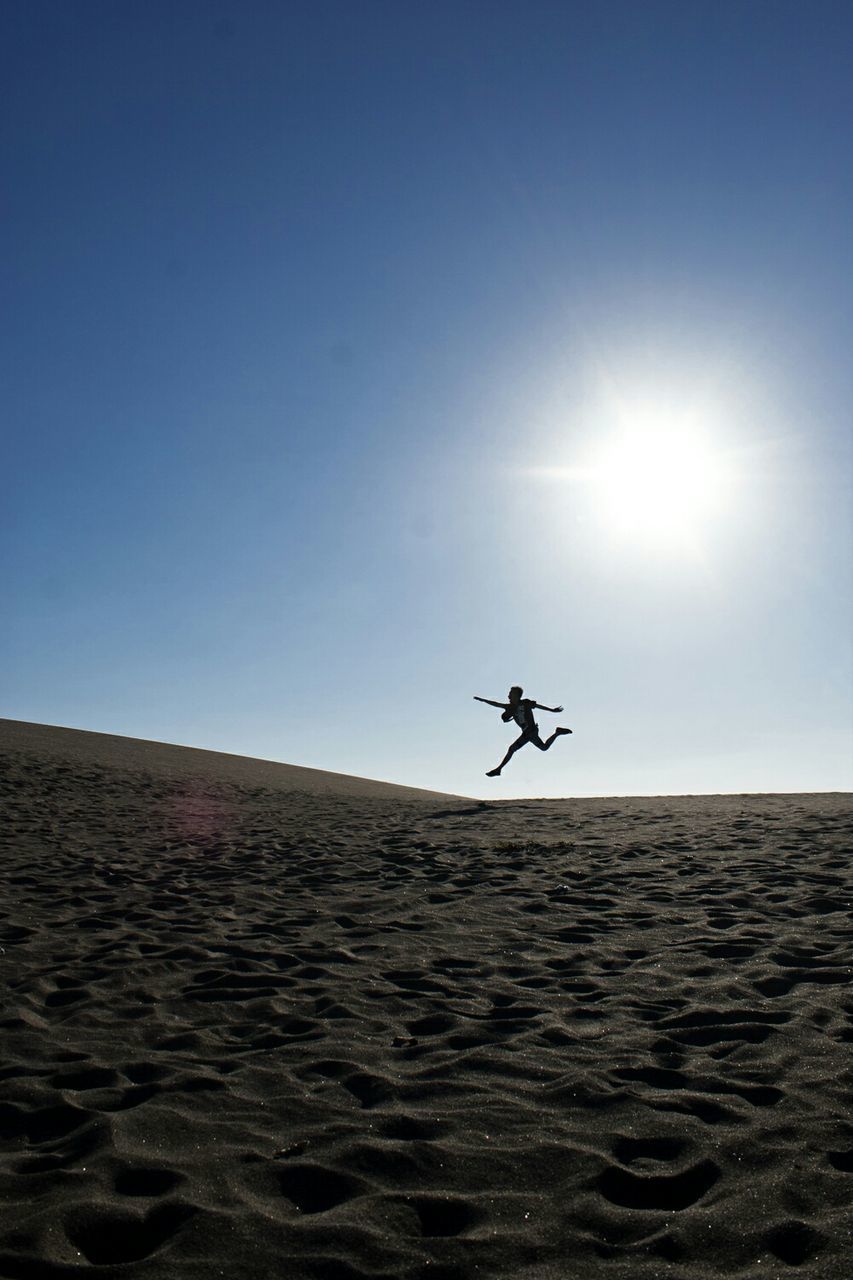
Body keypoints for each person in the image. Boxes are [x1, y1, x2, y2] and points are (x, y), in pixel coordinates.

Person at [474, 686, 572, 777]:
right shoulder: (509, 707)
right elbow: (495, 704)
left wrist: (552, 710)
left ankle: (498, 769)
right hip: (527, 733)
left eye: (510, 694)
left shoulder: (526, 703)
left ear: (516, 695)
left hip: (531, 732)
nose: (508, 696)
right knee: (542, 747)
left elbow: (538, 706)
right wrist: (482, 700)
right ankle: (557, 733)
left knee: (514, 748)